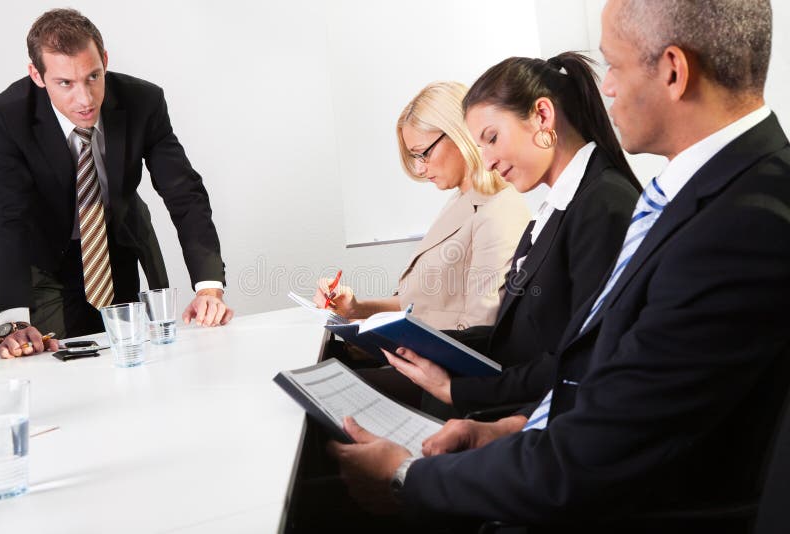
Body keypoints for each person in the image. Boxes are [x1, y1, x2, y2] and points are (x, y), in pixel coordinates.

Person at [329, 0, 790, 530]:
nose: (606, 87)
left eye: (613, 66)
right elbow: (609, 379)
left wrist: (410, 479)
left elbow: (607, 449)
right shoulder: (704, 195)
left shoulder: (740, 224)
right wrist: (513, 429)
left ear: (672, 70)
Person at [383, 53, 641, 419]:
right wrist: (421, 344)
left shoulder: (603, 205)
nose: (485, 160)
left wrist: (456, 389)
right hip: (517, 403)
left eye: (491, 138)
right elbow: (518, 338)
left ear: (542, 116)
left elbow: (582, 365)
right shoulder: (558, 208)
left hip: (539, 422)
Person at [0, 9, 233, 359]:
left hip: (115, 242)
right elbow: (4, 218)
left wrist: (209, 286)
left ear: (104, 60)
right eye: (65, 83)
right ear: (37, 75)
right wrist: (13, 320)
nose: (85, 99)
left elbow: (184, 193)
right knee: (54, 362)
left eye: (93, 76)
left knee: (136, 353)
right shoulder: (6, 118)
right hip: (43, 259)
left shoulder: (143, 102)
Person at [313, 82, 530, 331]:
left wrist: (388, 340)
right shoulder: (461, 199)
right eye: (415, 157)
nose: (419, 168)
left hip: (443, 367)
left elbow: (480, 330)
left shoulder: (498, 210)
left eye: (423, 153)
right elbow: (418, 306)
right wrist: (355, 309)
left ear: (459, 134)